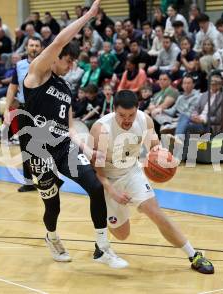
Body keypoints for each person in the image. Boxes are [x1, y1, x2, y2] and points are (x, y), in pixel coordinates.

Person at [22, 0, 128, 268]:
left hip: (63, 146)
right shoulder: (37, 73)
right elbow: (59, 40)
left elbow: (69, 127)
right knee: (53, 205)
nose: (70, 66)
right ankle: (52, 236)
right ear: (55, 57)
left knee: (95, 187)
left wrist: (87, 148)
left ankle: (102, 249)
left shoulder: (66, 88)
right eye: (68, 60)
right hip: (38, 149)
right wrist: (88, 17)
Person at [89, 90, 215, 274]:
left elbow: (154, 147)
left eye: (131, 115)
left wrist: (163, 155)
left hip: (132, 172)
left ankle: (193, 255)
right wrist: (112, 192)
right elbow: (97, 172)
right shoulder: (101, 129)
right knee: (122, 235)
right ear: (113, 109)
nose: (127, 119)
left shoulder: (144, 120)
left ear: (137, 109)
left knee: (155, 211)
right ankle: (101, 240)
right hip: (108, 178)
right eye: (122, 115)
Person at [2, 37, 42, 193]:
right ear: (26, 47)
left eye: (37, 45)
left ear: (41, 48)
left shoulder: (47, 64)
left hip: (41, 110)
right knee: (25, 147)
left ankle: (45, 179)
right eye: (31, 45)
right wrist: (6, 109)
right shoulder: (19, 66)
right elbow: (12, 89)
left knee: (42, 147)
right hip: (24, 109)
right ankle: (28, 182)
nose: (34, 48)